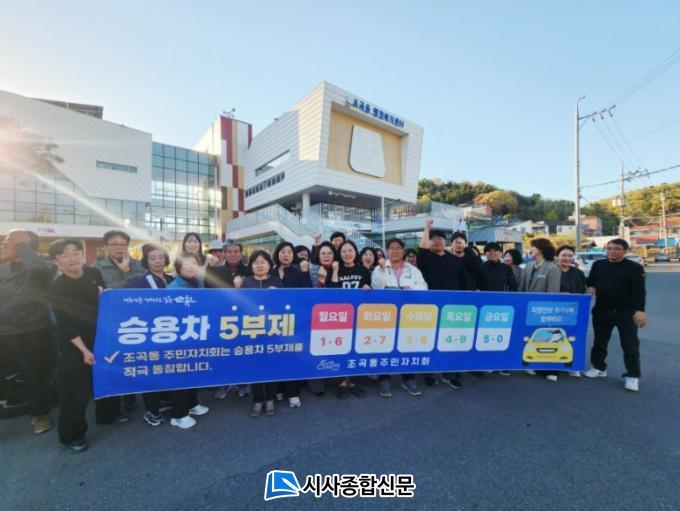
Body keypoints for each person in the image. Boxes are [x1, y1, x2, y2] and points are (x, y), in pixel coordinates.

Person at [49, 239, 128, 452]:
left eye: (76, 253)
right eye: (64, 255)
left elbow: (103, 297)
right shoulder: (58, 286)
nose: (72, 258)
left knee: (106, 374)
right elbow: (65, 323)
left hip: (100, 334)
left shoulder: (93, 273)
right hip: (73, 342)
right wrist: (84, 350)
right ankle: (72, 435)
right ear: (56, 261)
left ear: (83, 256)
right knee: (75, 389)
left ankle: (108, 414)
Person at [0, 230, 55, 434]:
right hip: (3, 330)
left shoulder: (41, 266)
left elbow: (38, 271)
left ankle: (40, 414)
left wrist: (22, 244)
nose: (5, 243)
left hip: (30, 330)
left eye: (10, 241)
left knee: (35, 375)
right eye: (5, 240)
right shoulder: (4, 267)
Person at [126, 244, 182, 427]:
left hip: (170, 332)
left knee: (167, 368)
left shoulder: (171, 279)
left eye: (161, 257)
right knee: (152, 370)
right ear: (146, 261)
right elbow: (131, 306)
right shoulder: (140, 282)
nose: (158, 261)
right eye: (153, 258)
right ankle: (151, 410)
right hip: (151, 333)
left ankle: (164, 400)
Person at [583, 239, 646, 392]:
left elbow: (640, 291)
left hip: (626, 312)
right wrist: (591, 287)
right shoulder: (598, 265)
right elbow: (591, 281)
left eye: (616, 249)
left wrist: (640, 311)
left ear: (625, 251)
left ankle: (632, 376)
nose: (612, 251)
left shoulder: (634, 268)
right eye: (609, 248)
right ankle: (598, 367)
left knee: (630, 345)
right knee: (599, 342)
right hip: (602, 310)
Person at [93, 230, 145, 412]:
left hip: (135, 320)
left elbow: (142, 287)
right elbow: (100, 292)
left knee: (131, 359)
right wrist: (125, 277)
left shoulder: (137, 265)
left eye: (123, 244)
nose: (119, 248)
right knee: (112, 360)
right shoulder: (96, 268)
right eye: (114, 244)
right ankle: (112, 400)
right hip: (110, 322)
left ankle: (130, 395)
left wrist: (128, 272)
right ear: (105, 246)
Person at [372, 238, 427, 397]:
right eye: (391, 248)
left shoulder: (413, 270)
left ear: (403, 251)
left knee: (407, 345)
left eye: (398, 248)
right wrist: (382, 269)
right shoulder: (380, 268)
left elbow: (424, 287)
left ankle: (408, 378)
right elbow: (376, 287)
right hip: (386, 315)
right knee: (384, 345)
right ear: (387, 251)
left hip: (408, 315)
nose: (394, 251)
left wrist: (412, 288)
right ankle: (384, 378)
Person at [164, 253, 211, 428]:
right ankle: (178, 415)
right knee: (181, 376)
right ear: (178, 268)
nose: (191, 266)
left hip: (196, 337)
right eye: (186, 264)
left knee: (194, 372)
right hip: (180, 340)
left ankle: (192, 404)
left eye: (194, 263)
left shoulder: (198, 283)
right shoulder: (173, 289)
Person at [418, 221, 467, 387]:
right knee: (428, 341)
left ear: (445, 241)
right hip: (429, 308)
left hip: (452, 308)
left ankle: (448, 372)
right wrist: (426, 228)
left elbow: (463, 282)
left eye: (440, 238)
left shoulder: (455, 260)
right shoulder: (425, 258)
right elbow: (423, 249)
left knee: (449, 341)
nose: (437, 240)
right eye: (433, 238)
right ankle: (429, 372)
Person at [234, 251, 283, 417]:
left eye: (263, 262)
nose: (259, 265)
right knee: (255, 366)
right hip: (252, 331)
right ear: (251, 265)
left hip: (272, 331)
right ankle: (257, 399)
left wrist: (278, 295)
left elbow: (286, 306)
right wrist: (237, 289)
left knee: (272, 366)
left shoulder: (276, 281)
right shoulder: (245, 282)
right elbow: (236, 306)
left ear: (269, 264)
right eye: (256, 262)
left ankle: (270, 398)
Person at [272, 242, 311, 408]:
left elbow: (307, 293)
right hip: (273, 320)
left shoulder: (298, 272)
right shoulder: (270, 271)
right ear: (277, 254)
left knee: (293, 355)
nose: (286, 254)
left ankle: (293, 393)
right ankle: (279, 388)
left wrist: (305, 273)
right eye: (283, 251)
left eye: (289, 252)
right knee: (276, 355)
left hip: (294, 320)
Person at [518, 238, 561, 381]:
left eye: (533, 247)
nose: (531, 250)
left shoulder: (553, 268)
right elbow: (521, 288)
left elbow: (553, 294)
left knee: (545, 339)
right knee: (530, 338)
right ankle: (533, 364)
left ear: (542, 249)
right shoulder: (529, 265)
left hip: (543, 311)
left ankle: (548, 369)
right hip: (527, 308)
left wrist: (547, 311)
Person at [555, 245, 587, 379]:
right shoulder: (552, 271)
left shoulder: (578, 273)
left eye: (570, 256)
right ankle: (553, 367)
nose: (567, 258)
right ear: (557, 256)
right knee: (554, 337)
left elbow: (583, 291)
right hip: (553, 311)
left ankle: (572, 366)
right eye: (564, 255)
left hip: (573, 311)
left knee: (572, 337)